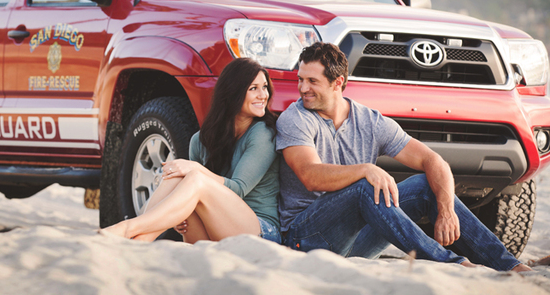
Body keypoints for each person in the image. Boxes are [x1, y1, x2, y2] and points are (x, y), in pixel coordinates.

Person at [276, 41, 531, 271]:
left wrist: (446, 211)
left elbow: (433, 161)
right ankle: (452, 263)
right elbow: (310, 176)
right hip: (306, 238)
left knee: (424, 184)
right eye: (300, 79)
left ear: (338, 82)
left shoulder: (369, 121)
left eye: (312, 81)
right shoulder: (295, 118)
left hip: (355, 244)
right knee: (366, 185)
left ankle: (510, 266)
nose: (303, 88)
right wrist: (366, 169)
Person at [102, 58, 280, 243]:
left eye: (265, 87)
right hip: (214, 230)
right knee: (179, 178)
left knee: (193, 176)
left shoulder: (263, 133)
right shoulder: (200, 140)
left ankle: (129, 227)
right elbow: (193, 191)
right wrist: (177, 214)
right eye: (254, 88)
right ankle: (141, 241)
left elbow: (238, 188)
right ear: (233, 92)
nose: (263, 95)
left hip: (261, 232)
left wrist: (195, 169)